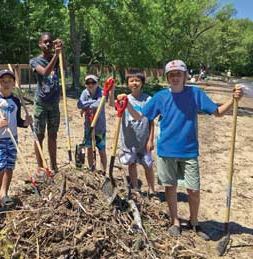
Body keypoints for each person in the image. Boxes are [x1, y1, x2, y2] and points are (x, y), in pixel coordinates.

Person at [121, 60, 243, 239]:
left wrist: (233, 100)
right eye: (171, 74)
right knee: (170, 188)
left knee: (193, 189)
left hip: (189, 151)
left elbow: (217, 112)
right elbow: (140, 115)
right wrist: (126, 103)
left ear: (185, 76)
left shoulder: (195, 93)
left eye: (179, 74)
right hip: (166, 151)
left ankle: (194, 222)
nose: (175, 77)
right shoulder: (161, 96)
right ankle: (175, 221)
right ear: (167, 78)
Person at [0, 69, 31, 211]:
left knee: (9, 166)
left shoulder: (16, 100)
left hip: (12, 138)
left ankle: (4, 193)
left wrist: (25, 123)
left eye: (9, 81)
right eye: (3, 81)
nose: (6, 84)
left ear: (14, 83)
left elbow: (17, 121)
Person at [29, 32, 63, 176]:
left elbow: (63, 68)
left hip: (54, 104)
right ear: (40, 44)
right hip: (41, 103)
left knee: (53, 135)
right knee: (39, 135)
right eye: (45, 42)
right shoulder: (35, 61)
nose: (48, 44)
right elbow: (45, 72)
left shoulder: (58, 59)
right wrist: (56, 55)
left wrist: (61, 51)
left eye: (50, 42)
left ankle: (54, 164)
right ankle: (40, 166)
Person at [118, 68, 155, 196]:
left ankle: (151, 190)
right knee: (132, 164)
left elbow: (151, 121)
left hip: (144, 141)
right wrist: (111, 91)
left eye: (137, 80)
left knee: (147, 165)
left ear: (142, 83)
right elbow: (112, 104)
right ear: (127, 83)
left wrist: (150, 139)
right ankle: (135, 188)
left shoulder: (148, 100)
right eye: (131, 80)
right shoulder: (124, 99)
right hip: (129, 141)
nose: (134, 83)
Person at [77, 75, 114, 174]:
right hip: (88, 126)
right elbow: (79, 104)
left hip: (99, 127)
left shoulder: (102, 92)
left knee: (101, 150)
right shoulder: (84, 92)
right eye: (88, 83)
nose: (90, 85)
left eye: (92, 82)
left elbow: (99, 105)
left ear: (97, 83)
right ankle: (91, 170)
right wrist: (93, 102)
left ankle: (103, 171)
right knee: (89, 148)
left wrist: (87, 105)